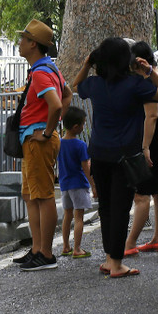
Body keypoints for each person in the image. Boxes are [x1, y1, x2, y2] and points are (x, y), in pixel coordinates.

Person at [71, 37, 158, 278]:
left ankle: (109, 259)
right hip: (125, 156)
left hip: (99, 153)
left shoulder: (95, 84)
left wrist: (86, 64)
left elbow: (76, 85)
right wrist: (149, 69)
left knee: (105, 207)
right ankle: (116, 264)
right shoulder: (135, 84)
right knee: (120, 208)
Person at [14, 19, 72, 271]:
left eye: (23, 39)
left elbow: (57, 104)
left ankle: (46, 253)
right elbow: (67, 95)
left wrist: (48, 132)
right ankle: (37, 248)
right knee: (31, 196)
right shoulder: (49, 69)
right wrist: (54, 125)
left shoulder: (40, 73)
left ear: (33, 45)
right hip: (33, 139)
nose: (19, 43)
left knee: (43, 196)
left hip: (39, 140)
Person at [124, 41, 158, 255]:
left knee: (141, 196)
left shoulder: (149, 82)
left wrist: (144, 147)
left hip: (152, 144)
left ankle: (129, 244)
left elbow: (151, 116)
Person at [58, 106, 95, 259]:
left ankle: (66, 246)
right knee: (78, 217)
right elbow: (86, 167)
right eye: (83, 124)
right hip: (78, 184)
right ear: (76, 127)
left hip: (64, 184)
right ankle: (77, 248)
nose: (84, 126)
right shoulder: (80, 145)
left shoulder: (59, 143)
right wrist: (93, 185)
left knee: (67, 215)